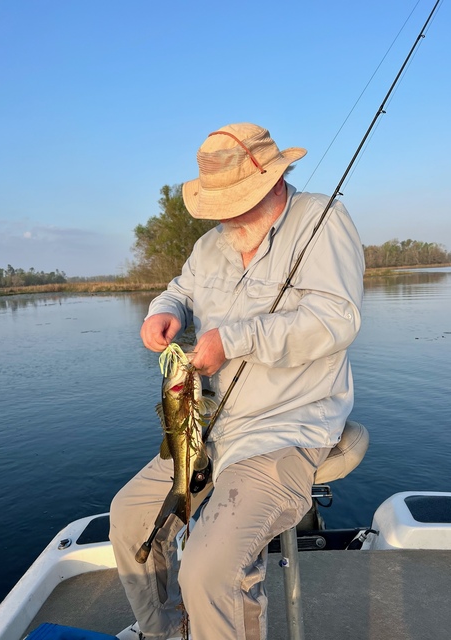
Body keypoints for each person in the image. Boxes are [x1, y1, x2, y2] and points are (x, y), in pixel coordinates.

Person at [110, 122, 365, 640]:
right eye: (219, 205)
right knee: (129, 518)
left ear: (274, 181)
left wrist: (234, 339)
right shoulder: (210, 247)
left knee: (209, 570)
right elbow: (179, 290)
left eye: (237, 201)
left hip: (285, 427)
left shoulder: (322, 219)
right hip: (210, 428)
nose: (226, 216)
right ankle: (167, 631)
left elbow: (337, 319)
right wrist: (163, 312)